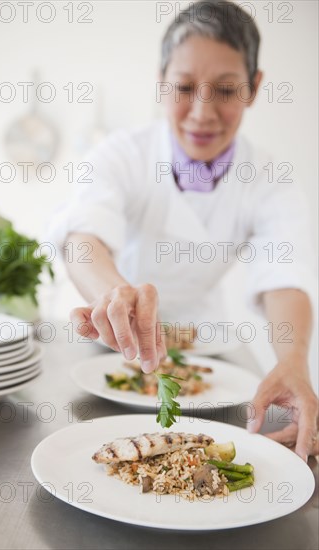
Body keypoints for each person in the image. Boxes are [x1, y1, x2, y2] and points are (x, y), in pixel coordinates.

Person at [49, 0, 318, 460]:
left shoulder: (270, 177)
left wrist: (293, 361)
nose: (201, 112)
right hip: (110, 345)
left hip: (210, 353)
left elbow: (285, 278)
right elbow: (82, 239)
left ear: (254, 87)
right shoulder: (122, 154)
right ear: (160, 82)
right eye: (185, 87)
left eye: (226, 90)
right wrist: (116, 295)